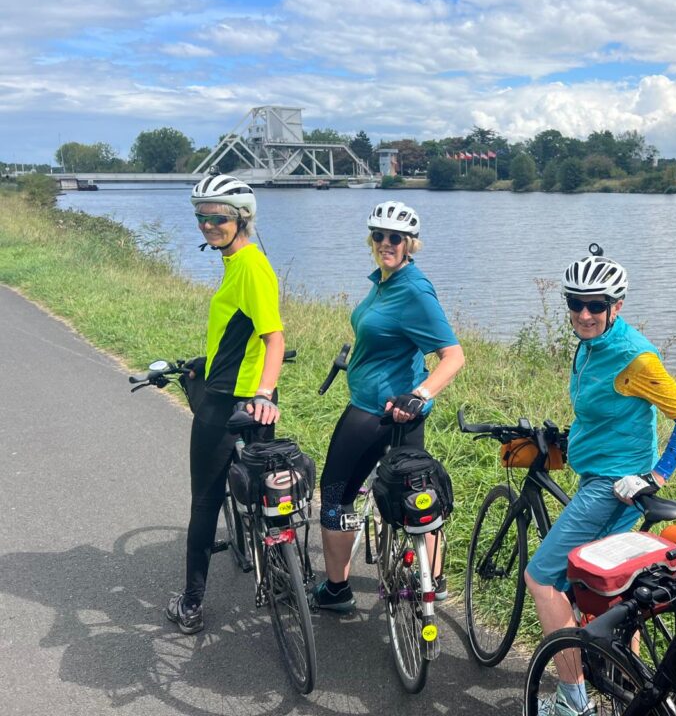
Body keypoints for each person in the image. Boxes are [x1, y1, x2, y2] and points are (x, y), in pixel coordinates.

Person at [525, 251, 676, 716]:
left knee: (542, 579)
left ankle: (572, 702)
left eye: (596, 305)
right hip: (595, 473)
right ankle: (630, 686)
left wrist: (655, 475)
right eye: (576, 303)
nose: (584, 314)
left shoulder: (634, 356)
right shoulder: (590, 343)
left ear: (616, 306)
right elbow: (601, 409)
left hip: (612, 486)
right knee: (610, 590)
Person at [314, 201, 464, 612]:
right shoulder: (384, 281)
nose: (386, 243)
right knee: (413, 494)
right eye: (379, 236)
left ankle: (337, 590)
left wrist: (420, 394)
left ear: (410, 243)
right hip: (389, 412)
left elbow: (453, 356)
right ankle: (432, 581)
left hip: (373, 413)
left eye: (395, 238)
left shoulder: (413, 289)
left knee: (334, 496)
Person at [166, 174, 285, 634]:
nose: (207, 224)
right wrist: (205, 362)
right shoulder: (237, 263)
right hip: (249, 399)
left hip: (230, 404)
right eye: (201, 216)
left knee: (205, 502)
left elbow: (274, 338)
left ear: (242, 220)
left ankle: (192, 603)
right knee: (266, 495)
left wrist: (261, 392)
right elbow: (242, 334)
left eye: (218, 217)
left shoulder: (250, 267)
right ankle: (280, 578)